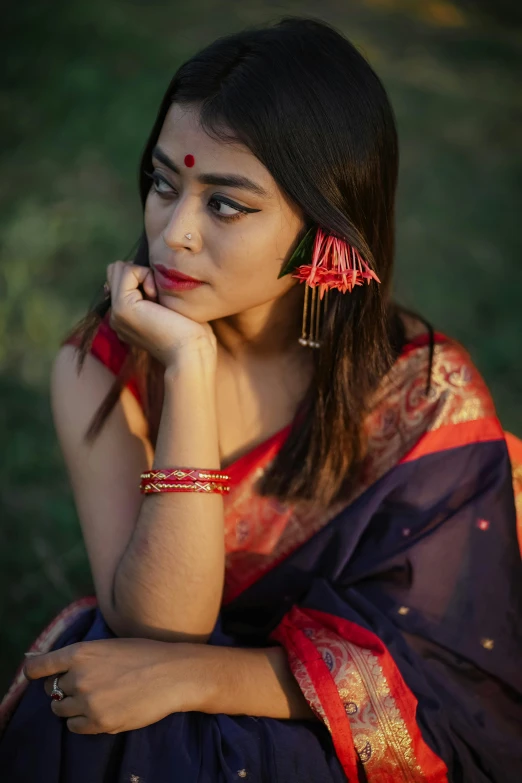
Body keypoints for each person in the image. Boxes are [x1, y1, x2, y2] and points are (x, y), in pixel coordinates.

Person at [1, 15, 521, 783]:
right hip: (174, 670)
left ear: (326, 232)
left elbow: (442, 675)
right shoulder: (101, 369)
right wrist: (185, 367)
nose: (173, 233)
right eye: (162, 183)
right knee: (81, 707)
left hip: (329, 728)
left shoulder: (420, 393)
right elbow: (157, 625)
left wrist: (197, 677)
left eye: (225, 205)